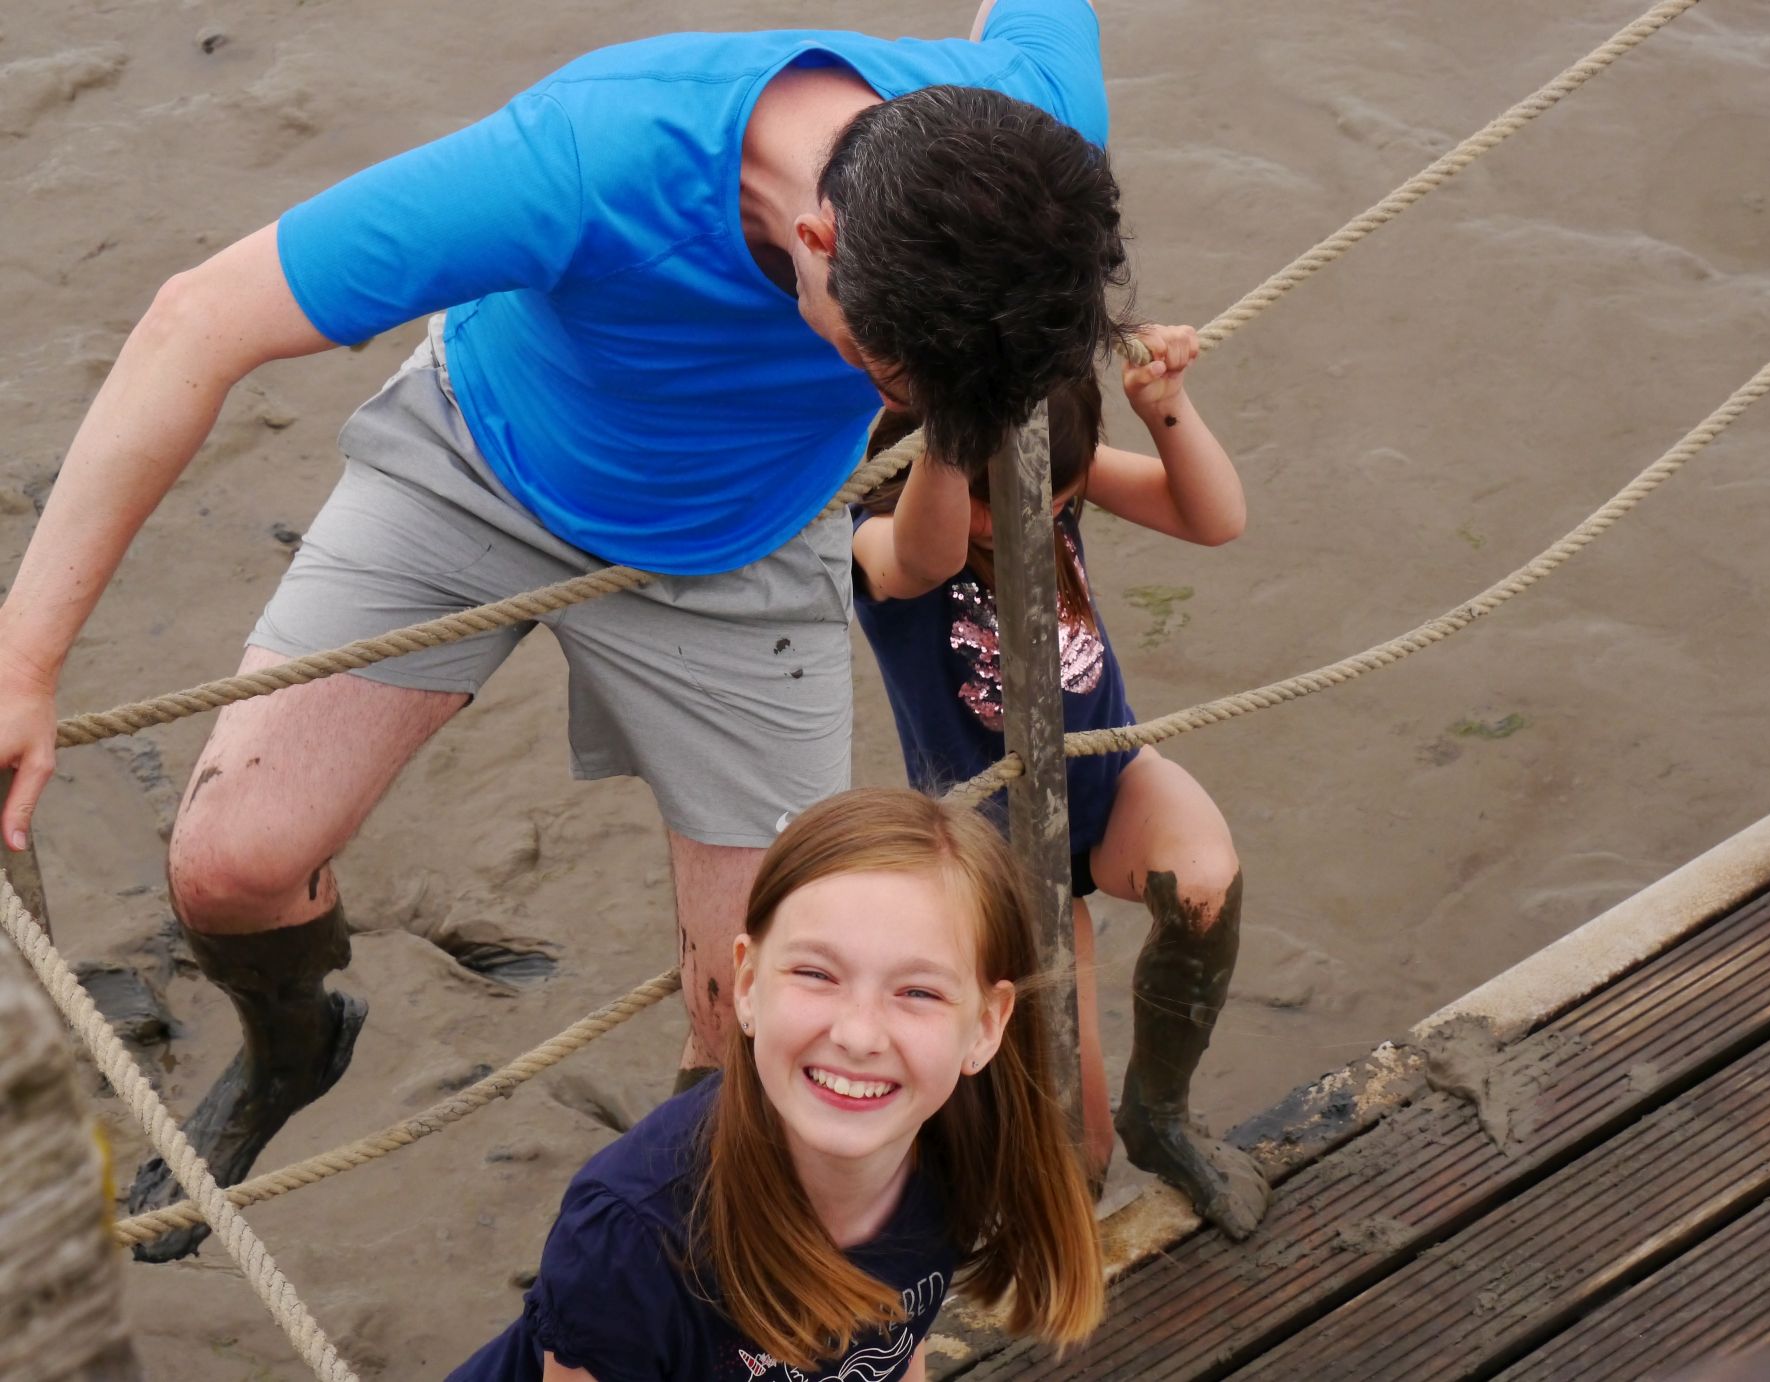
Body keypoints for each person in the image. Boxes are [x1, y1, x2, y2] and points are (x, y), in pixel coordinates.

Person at [0, 2, 1130, 1259]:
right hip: (481, 466)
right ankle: (291, 1047)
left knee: (751, 1015)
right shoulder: (588, 154)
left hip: (747, 543)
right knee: (229, 864)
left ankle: (669, 1277)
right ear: (819, 240)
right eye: (889, 378)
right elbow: (198, 320)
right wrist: (25, 656)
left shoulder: (1032, 133)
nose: (896, 407)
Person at [449, 787, 1104, 1380]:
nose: (858, 1034)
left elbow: (898, 1351)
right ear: (745, 985)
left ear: (986, 1027)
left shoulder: (962, 1147)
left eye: (917, 991)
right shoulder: (629, 1240)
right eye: (817, 974)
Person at [851, 324, 1270, 1237]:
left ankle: (1160, 1112)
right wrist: (955, 449)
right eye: (1005, 507)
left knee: (1202, 886)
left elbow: (1215, 519)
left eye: (1059, 500)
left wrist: (1163, 409)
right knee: (1069, 1145)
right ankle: (1043, 1224)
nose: (1038, 523)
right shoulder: (873, 529)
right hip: (1002, 851)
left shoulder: (1046, 477)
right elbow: (920, 558)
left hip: (1107, 778)